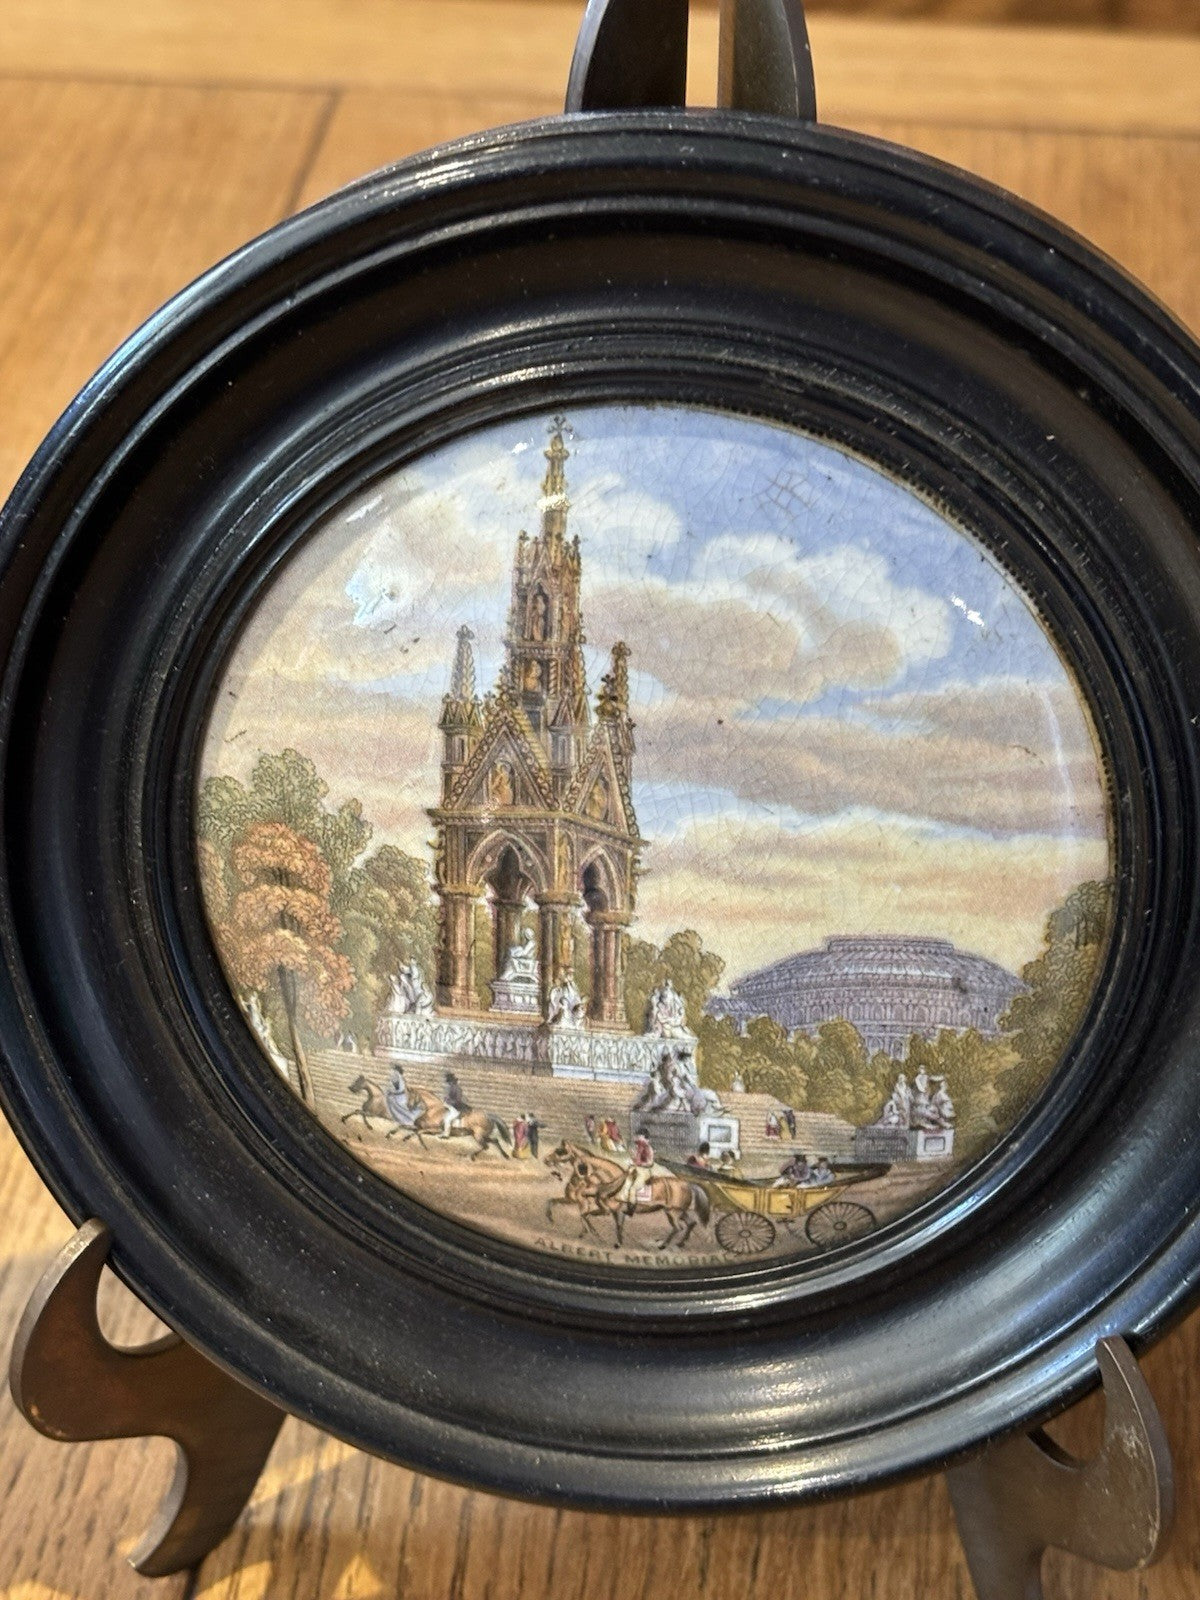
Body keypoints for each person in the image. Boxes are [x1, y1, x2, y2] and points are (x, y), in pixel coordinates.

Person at [619, 1129, 656, 1212]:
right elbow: (636, 1158)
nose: (638, 1138)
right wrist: (632, 1159)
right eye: (638, 1136)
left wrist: (638, 1164)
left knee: (633, 1188)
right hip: (636, 1168)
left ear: (645, 1138)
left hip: (644, 1171)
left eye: (640, 1136)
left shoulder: (648, 1148)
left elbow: (650, 1163)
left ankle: (631, 1209)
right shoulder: (639, 1147)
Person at [440, 1069, 470, 1137]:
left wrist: (448, 1102)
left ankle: (446, 1134)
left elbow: (457, 1100)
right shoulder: (451, 1087)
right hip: (452, 1105)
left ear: (452, 1081)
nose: (448, 1083)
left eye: (449, 1082)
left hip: (456, 1107)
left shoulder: (457, 1088)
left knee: (447, 1119)